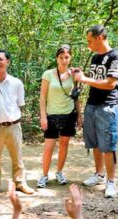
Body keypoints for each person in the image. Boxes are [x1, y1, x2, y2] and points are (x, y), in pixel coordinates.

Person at [73, 25, 118, 198]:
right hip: (92, 105)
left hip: (107, 106)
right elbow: (96, 79)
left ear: (100, 37)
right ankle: (99, 174)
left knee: (108, 145)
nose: (88, 45)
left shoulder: (115, 56)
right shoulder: (96, 58)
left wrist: (84, 79)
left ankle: (111, 181)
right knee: (94, 143)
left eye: (90, 41)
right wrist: (81, 74)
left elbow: (110, 83)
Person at [0, 49, 34, 197]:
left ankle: (20, 183)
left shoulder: (16, 83)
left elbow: (19, 103)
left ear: (7, 62)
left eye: (1, 59)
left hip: (14, 126)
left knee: (17, 157)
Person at [37, 45, 83, 188]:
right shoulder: (48, 74)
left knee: (64, 144)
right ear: (57, 58)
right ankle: (44, 175)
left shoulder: (74, 74)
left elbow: (76, 97)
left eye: (67, 57)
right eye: (61, 57)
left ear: (70, 58)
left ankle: (59, 172)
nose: (64, 60)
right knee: (49, 146)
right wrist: (43, 116)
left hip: (68, 114)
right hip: (52, 115)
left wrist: (79, 115)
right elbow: (42, 97)